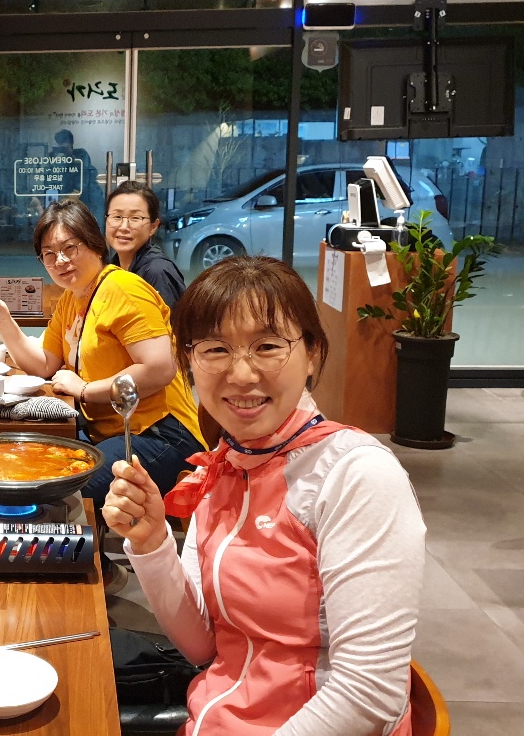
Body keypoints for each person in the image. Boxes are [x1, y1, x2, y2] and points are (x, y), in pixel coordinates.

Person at [102, 256, 426, 736]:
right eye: (215, 349)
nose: (241, 374)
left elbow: (370, 694)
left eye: (268, 346)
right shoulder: (224, 467)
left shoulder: (355, 476)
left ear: (312, 354)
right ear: (189, 362)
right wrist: (151, 543)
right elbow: (204, 648)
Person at [0, 198, 203, 506]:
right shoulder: (72, 298)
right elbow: (45, 364)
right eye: (48, 254)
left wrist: (84, 390)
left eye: (69, 248)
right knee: (25, 460)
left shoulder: (122, 288)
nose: (60, 261)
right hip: (110, 432)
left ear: (95, 244)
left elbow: (159, 369)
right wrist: (3, 322)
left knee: (57, 488)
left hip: (161, 434)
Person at [104, 179, 185, 307]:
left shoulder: (158, 272)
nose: (124, 227)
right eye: (117, 217)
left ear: (153, 226)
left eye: (135, 218)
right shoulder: (112, 267)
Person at [53, 129, 101, 217]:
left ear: (71, 143)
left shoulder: (81, 155)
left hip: (88, 198)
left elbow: (85, 174)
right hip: (67, 203)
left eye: (64, 142)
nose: (62, 148)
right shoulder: (56, 159)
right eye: (60, 144)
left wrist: (71, 155)